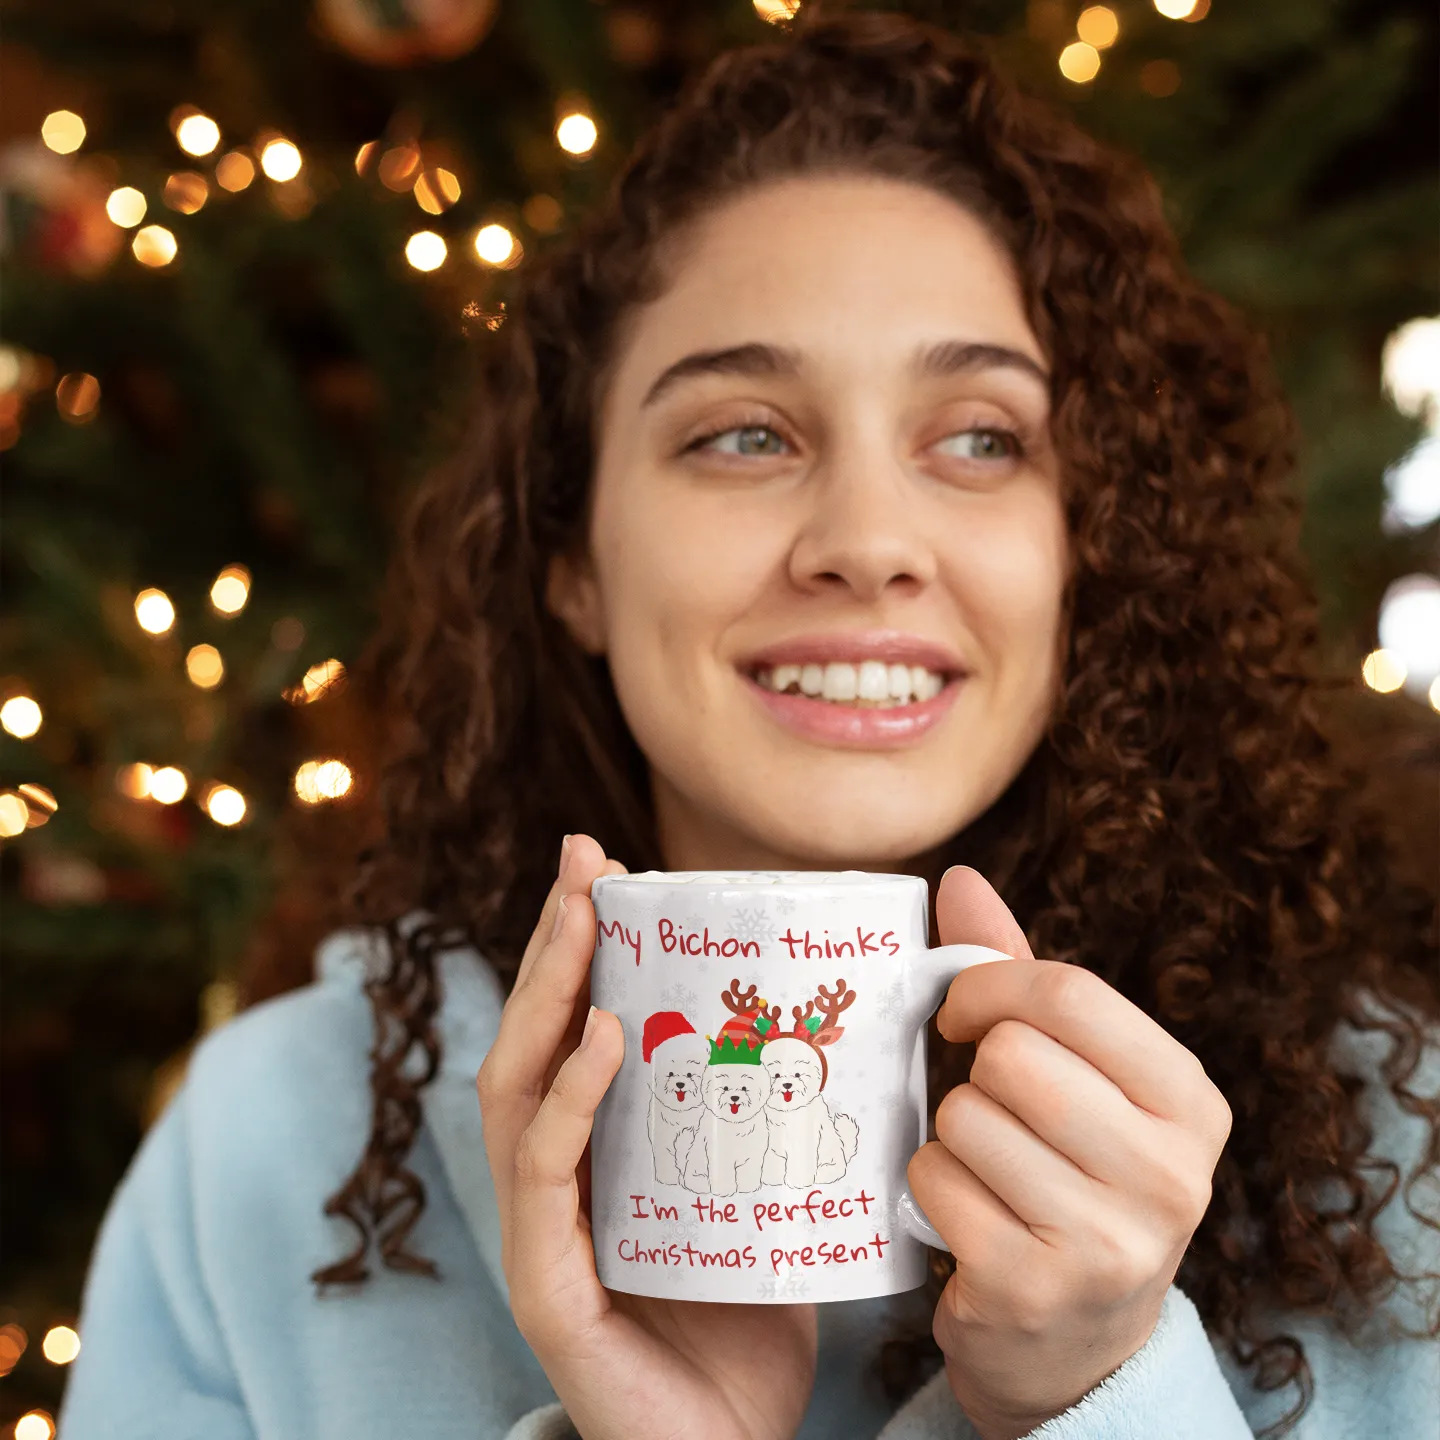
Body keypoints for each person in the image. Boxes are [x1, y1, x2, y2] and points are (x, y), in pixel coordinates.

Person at [60, 11, 1437, 1440]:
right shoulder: (270, 1149)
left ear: (1096, 554)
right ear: (573, 560)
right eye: (744, 435)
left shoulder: (1388, 1158)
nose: (867, 541)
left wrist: (1103, 1397)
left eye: (983, 438)